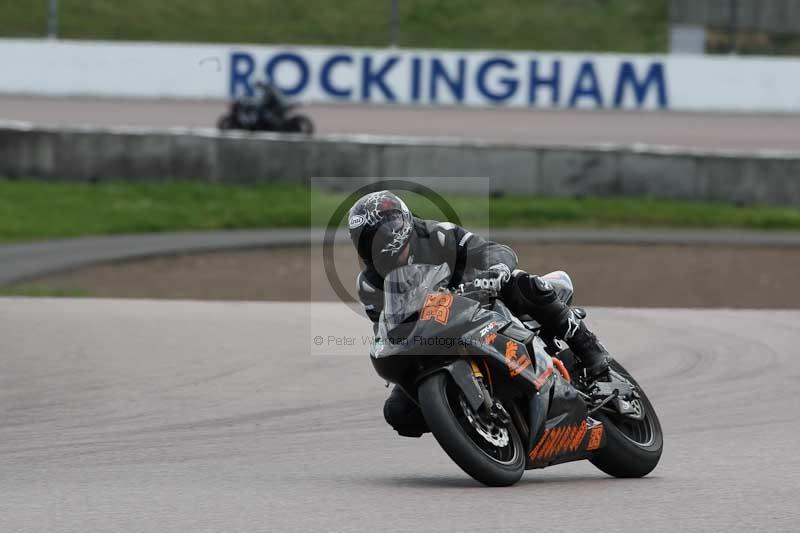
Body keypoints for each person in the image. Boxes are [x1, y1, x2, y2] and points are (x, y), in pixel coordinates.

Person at [348, 190, 611, 437]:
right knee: (398, 412)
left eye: (376, 237)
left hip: (481, 304)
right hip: (431, 338)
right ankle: (467, 417)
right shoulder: (369, 284)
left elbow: (492, 250)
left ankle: (591, 351)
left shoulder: (437, 235)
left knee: (522, 283)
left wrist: (495, 270)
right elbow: (387, 327)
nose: (370, 246)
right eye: (363, 241)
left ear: (398, 228)